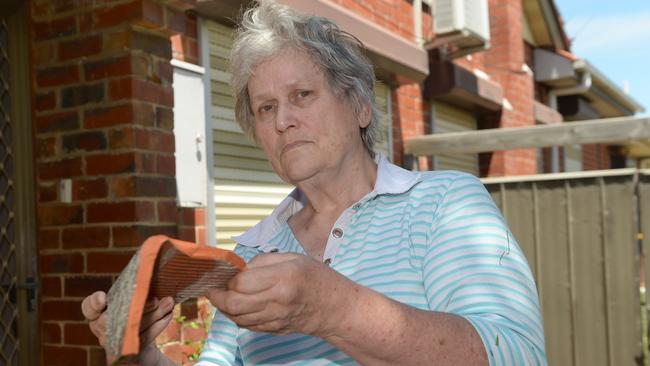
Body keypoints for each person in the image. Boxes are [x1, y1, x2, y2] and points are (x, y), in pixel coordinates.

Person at [82, 0, 547, 364]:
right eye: (265, 108)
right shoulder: (254, 251)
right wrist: (141, 355)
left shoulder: (445, 204)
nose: (283, 120)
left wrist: (331, 307)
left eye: (302, 95)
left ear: (360, 106)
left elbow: (515, 355)